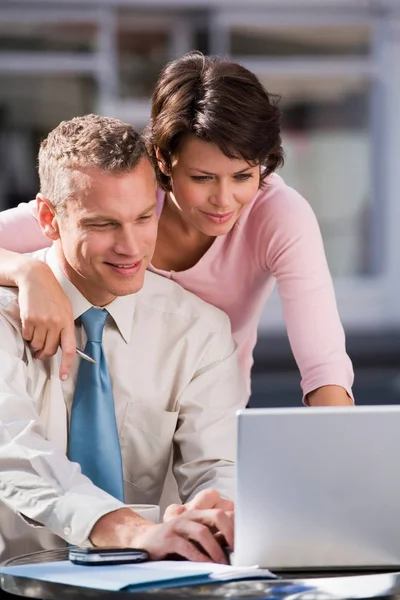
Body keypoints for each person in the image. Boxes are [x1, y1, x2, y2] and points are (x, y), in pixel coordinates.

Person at [0, 52, 354, 406]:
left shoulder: (279, 214)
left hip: (210, 425)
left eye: (244, 176)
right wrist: (28, 272)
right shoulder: (124, 194)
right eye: (202, 178)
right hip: (100, 412)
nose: (224, 200)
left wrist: (339, 448)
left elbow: (324, 367)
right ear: (162, 160)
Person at [0, 114, 245, 563]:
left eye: (143, 218)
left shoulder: (197, 331)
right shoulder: (4, 319)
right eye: (103, 225)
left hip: (152, 580)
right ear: (49, 219)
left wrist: (215, 515)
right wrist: (130, 530)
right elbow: (12, 452)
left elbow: (218, 466)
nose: (131, 247)